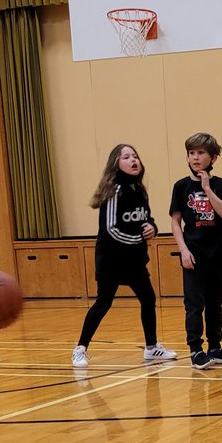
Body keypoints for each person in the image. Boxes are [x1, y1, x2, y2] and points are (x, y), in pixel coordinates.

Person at [72, 143, 177, 367]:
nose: (133, 160)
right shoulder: (114, 192)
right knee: (103, 303)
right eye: (126, 157)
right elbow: (111, 229)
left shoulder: (140, 191)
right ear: (116, 164)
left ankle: (151, 348)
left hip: (134, 260)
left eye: (135, 156)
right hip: (111, 259)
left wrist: (152, 227)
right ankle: (80, 348)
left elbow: (145, 219)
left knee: (148, 298)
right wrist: (139, 239)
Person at [169, 132, 222, 369]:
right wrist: (183, 250)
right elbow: (175, 222)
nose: (195, 158)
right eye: (191, 153)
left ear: (213, 157)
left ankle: (215, 347)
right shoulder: (181, 187)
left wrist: (208, 189)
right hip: (193, 254)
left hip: (216, 253)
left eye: (201, 153)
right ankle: (196, 350)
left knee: (215, 303)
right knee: (194, 304)